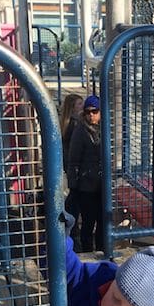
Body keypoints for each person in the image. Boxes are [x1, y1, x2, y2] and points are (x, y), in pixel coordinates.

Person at [68, 95, 103, 252]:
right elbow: (73, 160)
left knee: (103, 221)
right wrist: (74, 186)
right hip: (86, 186)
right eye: (88, 112)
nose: (91, 115)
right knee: (88, 221)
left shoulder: (104, 129)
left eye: (94, 111)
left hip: (102, 184)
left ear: (100, 112)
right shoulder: (80, 131)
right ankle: (88, 250)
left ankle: (102, 249)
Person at [60, 93, 84, 249]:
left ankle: (71, 224)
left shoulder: (64, 123)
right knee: (75, 198)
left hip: (68, 165)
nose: (83, 107)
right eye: (80, 105)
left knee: (73, 195)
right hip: (76, 166)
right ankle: (71, 226)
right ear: (73, 107)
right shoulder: (76, 124)